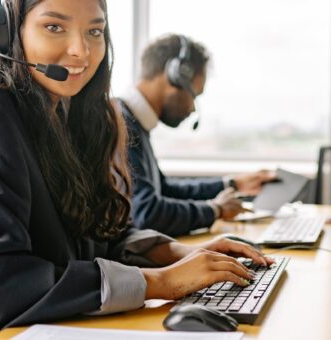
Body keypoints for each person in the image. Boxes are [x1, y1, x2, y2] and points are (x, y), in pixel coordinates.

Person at [0, 1, 272, 338]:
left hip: (56, 324)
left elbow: (99, 232)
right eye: (54, 27)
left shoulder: (65, 112)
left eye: (95, 31)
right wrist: (158, 282)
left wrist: (176, 254)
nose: (81, 50)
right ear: (7, 31)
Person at [118, 34, 277, 237]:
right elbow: (147, 213)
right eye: (194, 94)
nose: (193, 108)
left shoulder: (135, 122)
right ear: (175, 76)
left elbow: (164, 189)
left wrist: (232, 184)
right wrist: (215, 210)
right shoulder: (121, 125)